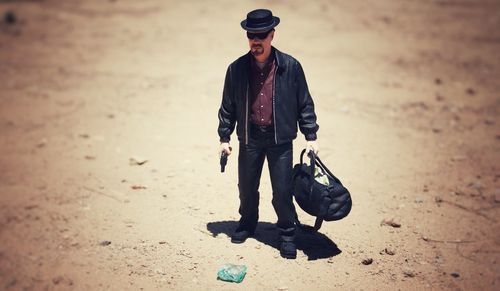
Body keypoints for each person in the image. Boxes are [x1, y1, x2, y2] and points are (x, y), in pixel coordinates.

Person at [217, 8, 320, 259]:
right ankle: (247, 224)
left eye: (262, 35)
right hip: (250, 137)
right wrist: (224, 137)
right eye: (252, 35)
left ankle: (286, 235)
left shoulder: (291, 67)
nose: (256, 41)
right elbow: (228, 105)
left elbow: (304, 102)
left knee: (283, 190)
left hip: (280, 139)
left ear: (272, 35)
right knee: (247, 187)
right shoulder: (236, 69)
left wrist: (311, 136)